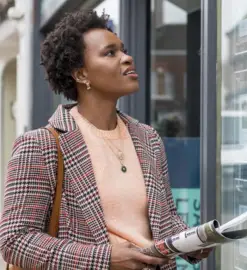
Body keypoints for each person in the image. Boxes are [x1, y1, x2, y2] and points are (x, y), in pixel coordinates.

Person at [0, 10, 210, 270]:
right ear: (81, 75)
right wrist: (104, 259)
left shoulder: (148, 139)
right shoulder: (40, 145)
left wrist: (194, 240)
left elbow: (163, 217)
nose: (128, 58)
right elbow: (15, 240)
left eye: (123, 50)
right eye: (110, 53)